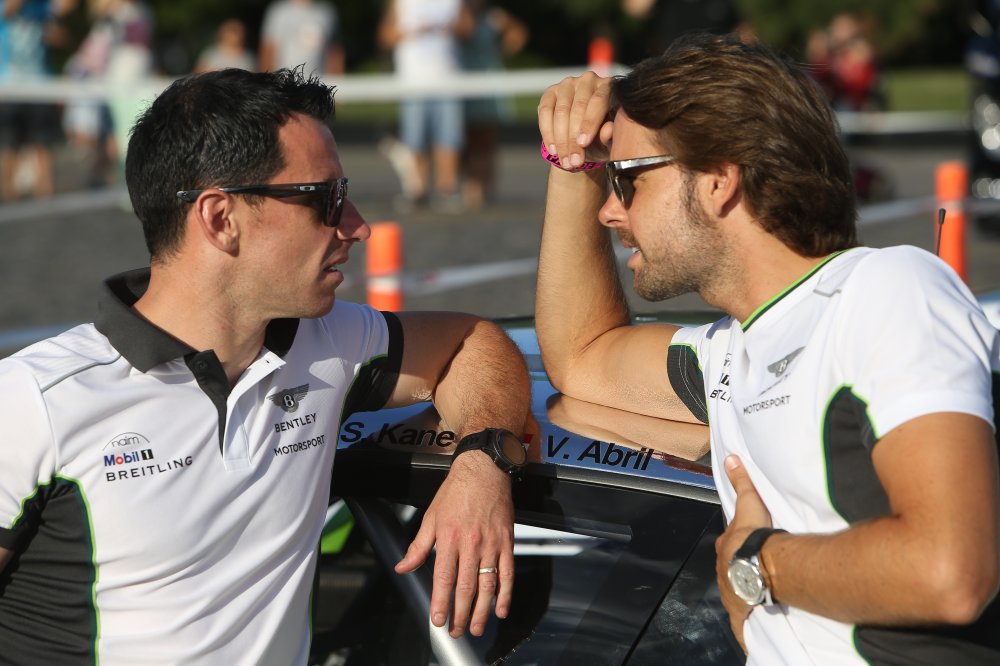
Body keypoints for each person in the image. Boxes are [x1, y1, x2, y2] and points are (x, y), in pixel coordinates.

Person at [0, 67, 530, 664]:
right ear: (220, 218)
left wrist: (483, 464)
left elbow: (475, 343)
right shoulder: (33, 401)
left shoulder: (330, 344)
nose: (356, 225)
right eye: (325, 199)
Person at [535, 33, 1000, 664]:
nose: (609, 212)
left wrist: (756, 564)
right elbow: (581, 355)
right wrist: (571, 160)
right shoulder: (732, 349)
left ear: (718, 180)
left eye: (626, 180)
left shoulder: (884, 289)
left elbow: (952, 572)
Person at [377, 0, 474, 212]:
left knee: (449, 139)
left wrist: (448, 28)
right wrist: (413, 31)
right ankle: (417, 191)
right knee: (414, 140)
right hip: (413, 81)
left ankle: (447, 191)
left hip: (448, 79)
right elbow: (385, 36)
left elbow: (468, 29)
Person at [459, 0, 527, 210]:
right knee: (465, 140)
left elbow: (518, 33)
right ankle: (472, 186)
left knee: (486, 139)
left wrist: (501, 51)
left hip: (487, 78)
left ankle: (486, 186)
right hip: (461, 79)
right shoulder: (456, 17)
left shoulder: (493, 17)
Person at [259, 0, 344, 75]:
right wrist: (269, 83)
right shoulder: (279, 11)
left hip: (320, 82)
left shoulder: (326, 12)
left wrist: (337, 83)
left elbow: (334, 52)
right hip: (285, 82)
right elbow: (268, 51)